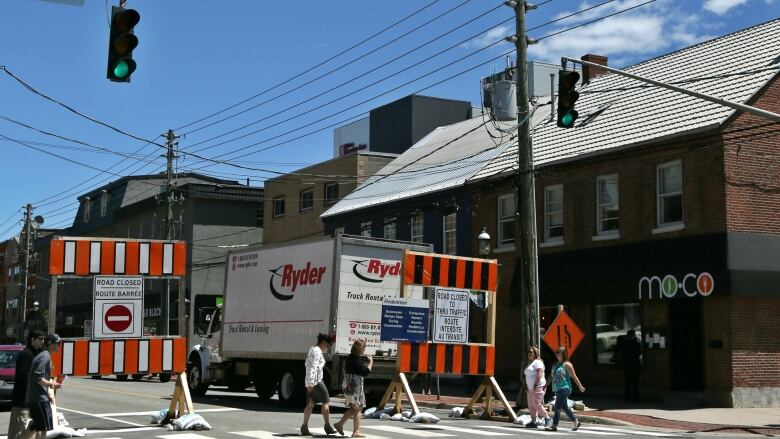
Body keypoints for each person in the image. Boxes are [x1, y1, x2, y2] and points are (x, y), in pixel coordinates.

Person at [8, 330, 44, 439]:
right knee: (17, 430)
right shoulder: (26, 354)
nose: (42, 341)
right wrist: (38, 378)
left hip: (33, 400)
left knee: (36, 427)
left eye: (43, 339)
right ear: (32, 339)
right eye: (40, 339)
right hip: (22, 401)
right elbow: (22, 376)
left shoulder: (38, 353)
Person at [26, 334, 62, 439]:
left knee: (39, 427)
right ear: (51, 344)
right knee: (43, 427)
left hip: (38, 397)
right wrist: (52, 384)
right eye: (58, 344)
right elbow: (38, 377)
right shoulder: (45, 356)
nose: (59, 346)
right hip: (38, 398)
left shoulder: (43, 355)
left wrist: (47, 394)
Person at [334, 340, 372, 438]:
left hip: (348, 385)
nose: (364, 350)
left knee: (354, 407)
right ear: (360, 349)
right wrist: (370, 362)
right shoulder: (357, 360)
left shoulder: (349, 358)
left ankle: (340, 424)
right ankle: (356, 431)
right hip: (355, 386)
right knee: (359, 408)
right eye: (363, 348)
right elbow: (365, 372)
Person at [301, 334, 336, 436]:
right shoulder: (317, 351)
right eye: (327, 345)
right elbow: (313, 367)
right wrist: (312, 382)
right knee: (326, 402)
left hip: (310, 381)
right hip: (317, 381)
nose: (327, 348)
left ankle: (304, 427)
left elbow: (307, 364)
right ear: (324, 343)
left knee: (311, 403)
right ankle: (327, 426)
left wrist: (308, 382)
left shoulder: (312, 349)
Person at [546, 346, 585, 432]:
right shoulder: (555, 364)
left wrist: (580, 386)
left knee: (557, 407)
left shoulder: (567, 364)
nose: (557, 355)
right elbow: (551, 376)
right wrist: (546, 385)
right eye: (556, 353)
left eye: (559, 353)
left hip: (565, 388)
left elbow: (574, 377)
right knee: (565, 407)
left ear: (563, 354)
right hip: (557, 389)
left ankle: (554, 425)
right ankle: (575, 421)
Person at [524, 346, 552, 429]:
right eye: (529, 352)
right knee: (531, 405)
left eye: (531, 352)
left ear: (536, 354)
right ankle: (533, 421)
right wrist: (527, 386)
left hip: (538, 386)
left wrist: (535, 384)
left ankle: (547, 418)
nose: (529, 353)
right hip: (530, 388)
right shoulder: (531, 363)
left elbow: (539, 374)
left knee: (537, 404)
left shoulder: (538, 362)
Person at [622, 329, 642, 402]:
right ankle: (636, 399)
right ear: (633, 335)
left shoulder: (624, 343)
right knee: (635, 383)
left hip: (626, 366)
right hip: (635, 365)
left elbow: (622, 353)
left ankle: (627, 398)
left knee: (627, 383)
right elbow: (639, 353)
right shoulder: (636, 343)